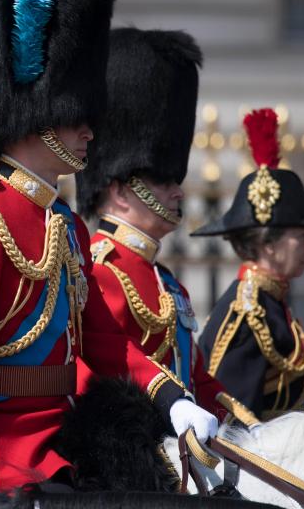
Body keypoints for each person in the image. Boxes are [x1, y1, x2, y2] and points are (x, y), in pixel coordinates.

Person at [0, 0, 217, 496]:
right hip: (7, 466)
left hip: (66, 452)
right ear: (40, 112)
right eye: (78, 115)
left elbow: (105, 342)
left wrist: (170, 399)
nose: (90, 132)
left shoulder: (65, 226)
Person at [75, 27, 226, 423]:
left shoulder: (166, 281)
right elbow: (106, 362)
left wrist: (248, 427)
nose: (178, 193)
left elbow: (197, 379)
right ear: (121, 191)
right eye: (163, 181)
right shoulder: (100, 272)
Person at [192, 108, 304, 420]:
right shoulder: (247, 316)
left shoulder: (270, 305)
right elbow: (233, 427)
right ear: (268, 243)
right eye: (302, 236)